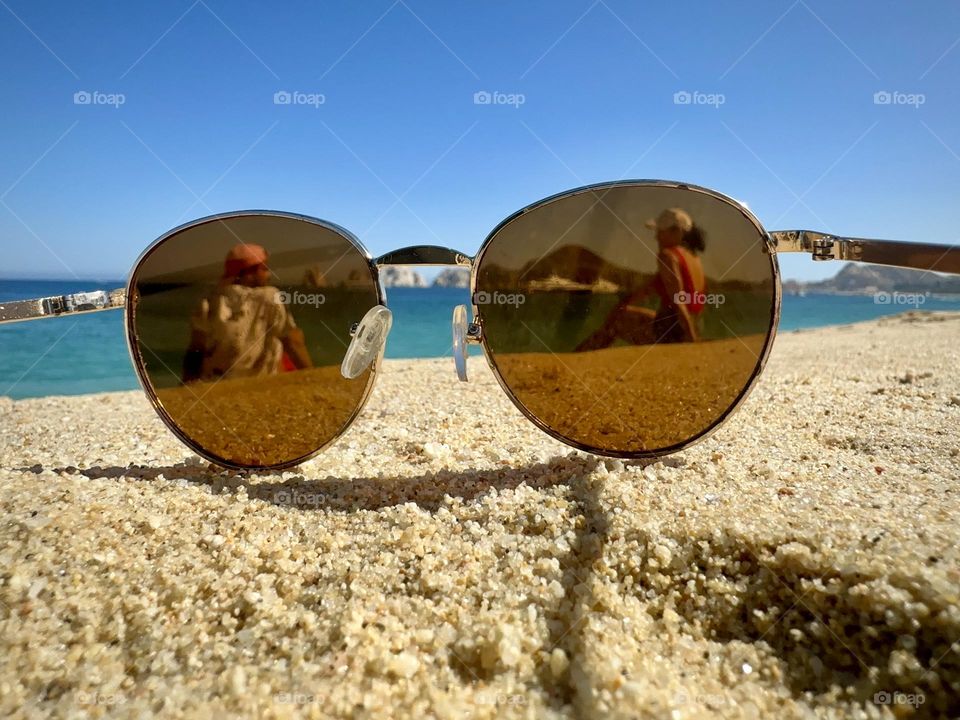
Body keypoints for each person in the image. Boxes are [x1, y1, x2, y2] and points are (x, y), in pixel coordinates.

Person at [576, 207, 707, 350]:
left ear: (676, 231)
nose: (656, 237)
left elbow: (679, 301)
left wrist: (692, 343)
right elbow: (647, 290)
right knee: (621, 314)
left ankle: (578, 357)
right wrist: (624, 303)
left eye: (660, 232)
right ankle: (582, 354)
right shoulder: (694, 259)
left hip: (672, 332)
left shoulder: (667, 256)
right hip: (690, 325)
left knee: (617, 321)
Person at [182, 243, 313, 383]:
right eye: (264, 269)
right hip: (260, 383)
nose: (268, 275)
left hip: (215, 383)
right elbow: (293, 342)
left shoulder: (208, 302)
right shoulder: (269, 296)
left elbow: (195, 351)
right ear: (251, 271)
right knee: (280, 343)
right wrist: (312, 376)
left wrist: (187, 384)